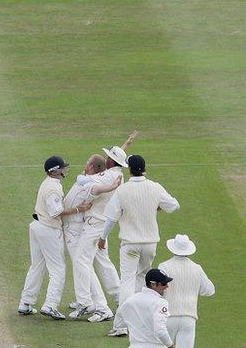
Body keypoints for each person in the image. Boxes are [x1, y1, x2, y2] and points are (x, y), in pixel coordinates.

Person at [99, 155, 180, 336]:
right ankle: (140, 320)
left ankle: (120, 325)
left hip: (130, 244)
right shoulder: (155, 187)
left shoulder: (123, 190)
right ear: (145, 168)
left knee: (127, 282)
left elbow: (111, 217)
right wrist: (156, 205)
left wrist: (103, 237)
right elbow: (174, 206)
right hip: (150, 244)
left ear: (129, 169)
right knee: (142, 280)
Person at [69, 131, 138, 322]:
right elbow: (110, 166)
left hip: (95, 225)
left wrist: (86, 177)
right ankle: (119, 299)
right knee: (103, 263)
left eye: (108, 157)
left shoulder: (108, 177)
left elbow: (82, 180)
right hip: (102, 225)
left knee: (81, 260)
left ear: (110, 161)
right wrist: (126, 144)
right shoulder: (115, 174)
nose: (105, 159)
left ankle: (87, 303)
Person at [17, 156, 91, 320]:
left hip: (38, 227)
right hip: (48, 229)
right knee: (58, 270)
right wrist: (80, 208)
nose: (66, 169)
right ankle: (50, 305)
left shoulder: (49, 183)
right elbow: (55, 212)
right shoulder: (53, 188)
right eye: (63, 167)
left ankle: (25, 303)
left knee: (36, 266)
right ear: (56, 170)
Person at [159, 234, 215, 348]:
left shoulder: (164, 266)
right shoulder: (197, 268)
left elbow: (158, 291)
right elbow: (209, 290)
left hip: (168, 315)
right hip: (189, 317)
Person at [117, 268, 175, 348]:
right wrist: (171, 346)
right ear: (153, 284)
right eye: (164, 283)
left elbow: (121, 320)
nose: (167, 286)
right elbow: (160, 331)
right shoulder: (161, 303)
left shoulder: (129, 301)